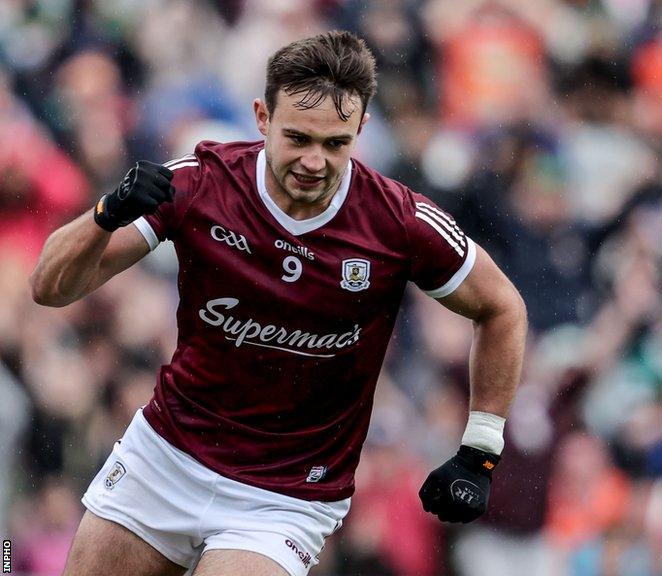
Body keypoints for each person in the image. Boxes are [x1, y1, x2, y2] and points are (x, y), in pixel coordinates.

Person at [29, 30, 527, 576]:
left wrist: (480, 451)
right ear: (262, 117)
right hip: (167, 457)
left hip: (285, 496)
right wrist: (105, 212)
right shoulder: (201, 183)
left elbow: (501, 307)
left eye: (336, 143)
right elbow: (51, 288)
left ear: (361, 128)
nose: (314, 161)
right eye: (298, 138)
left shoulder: (399, 222)